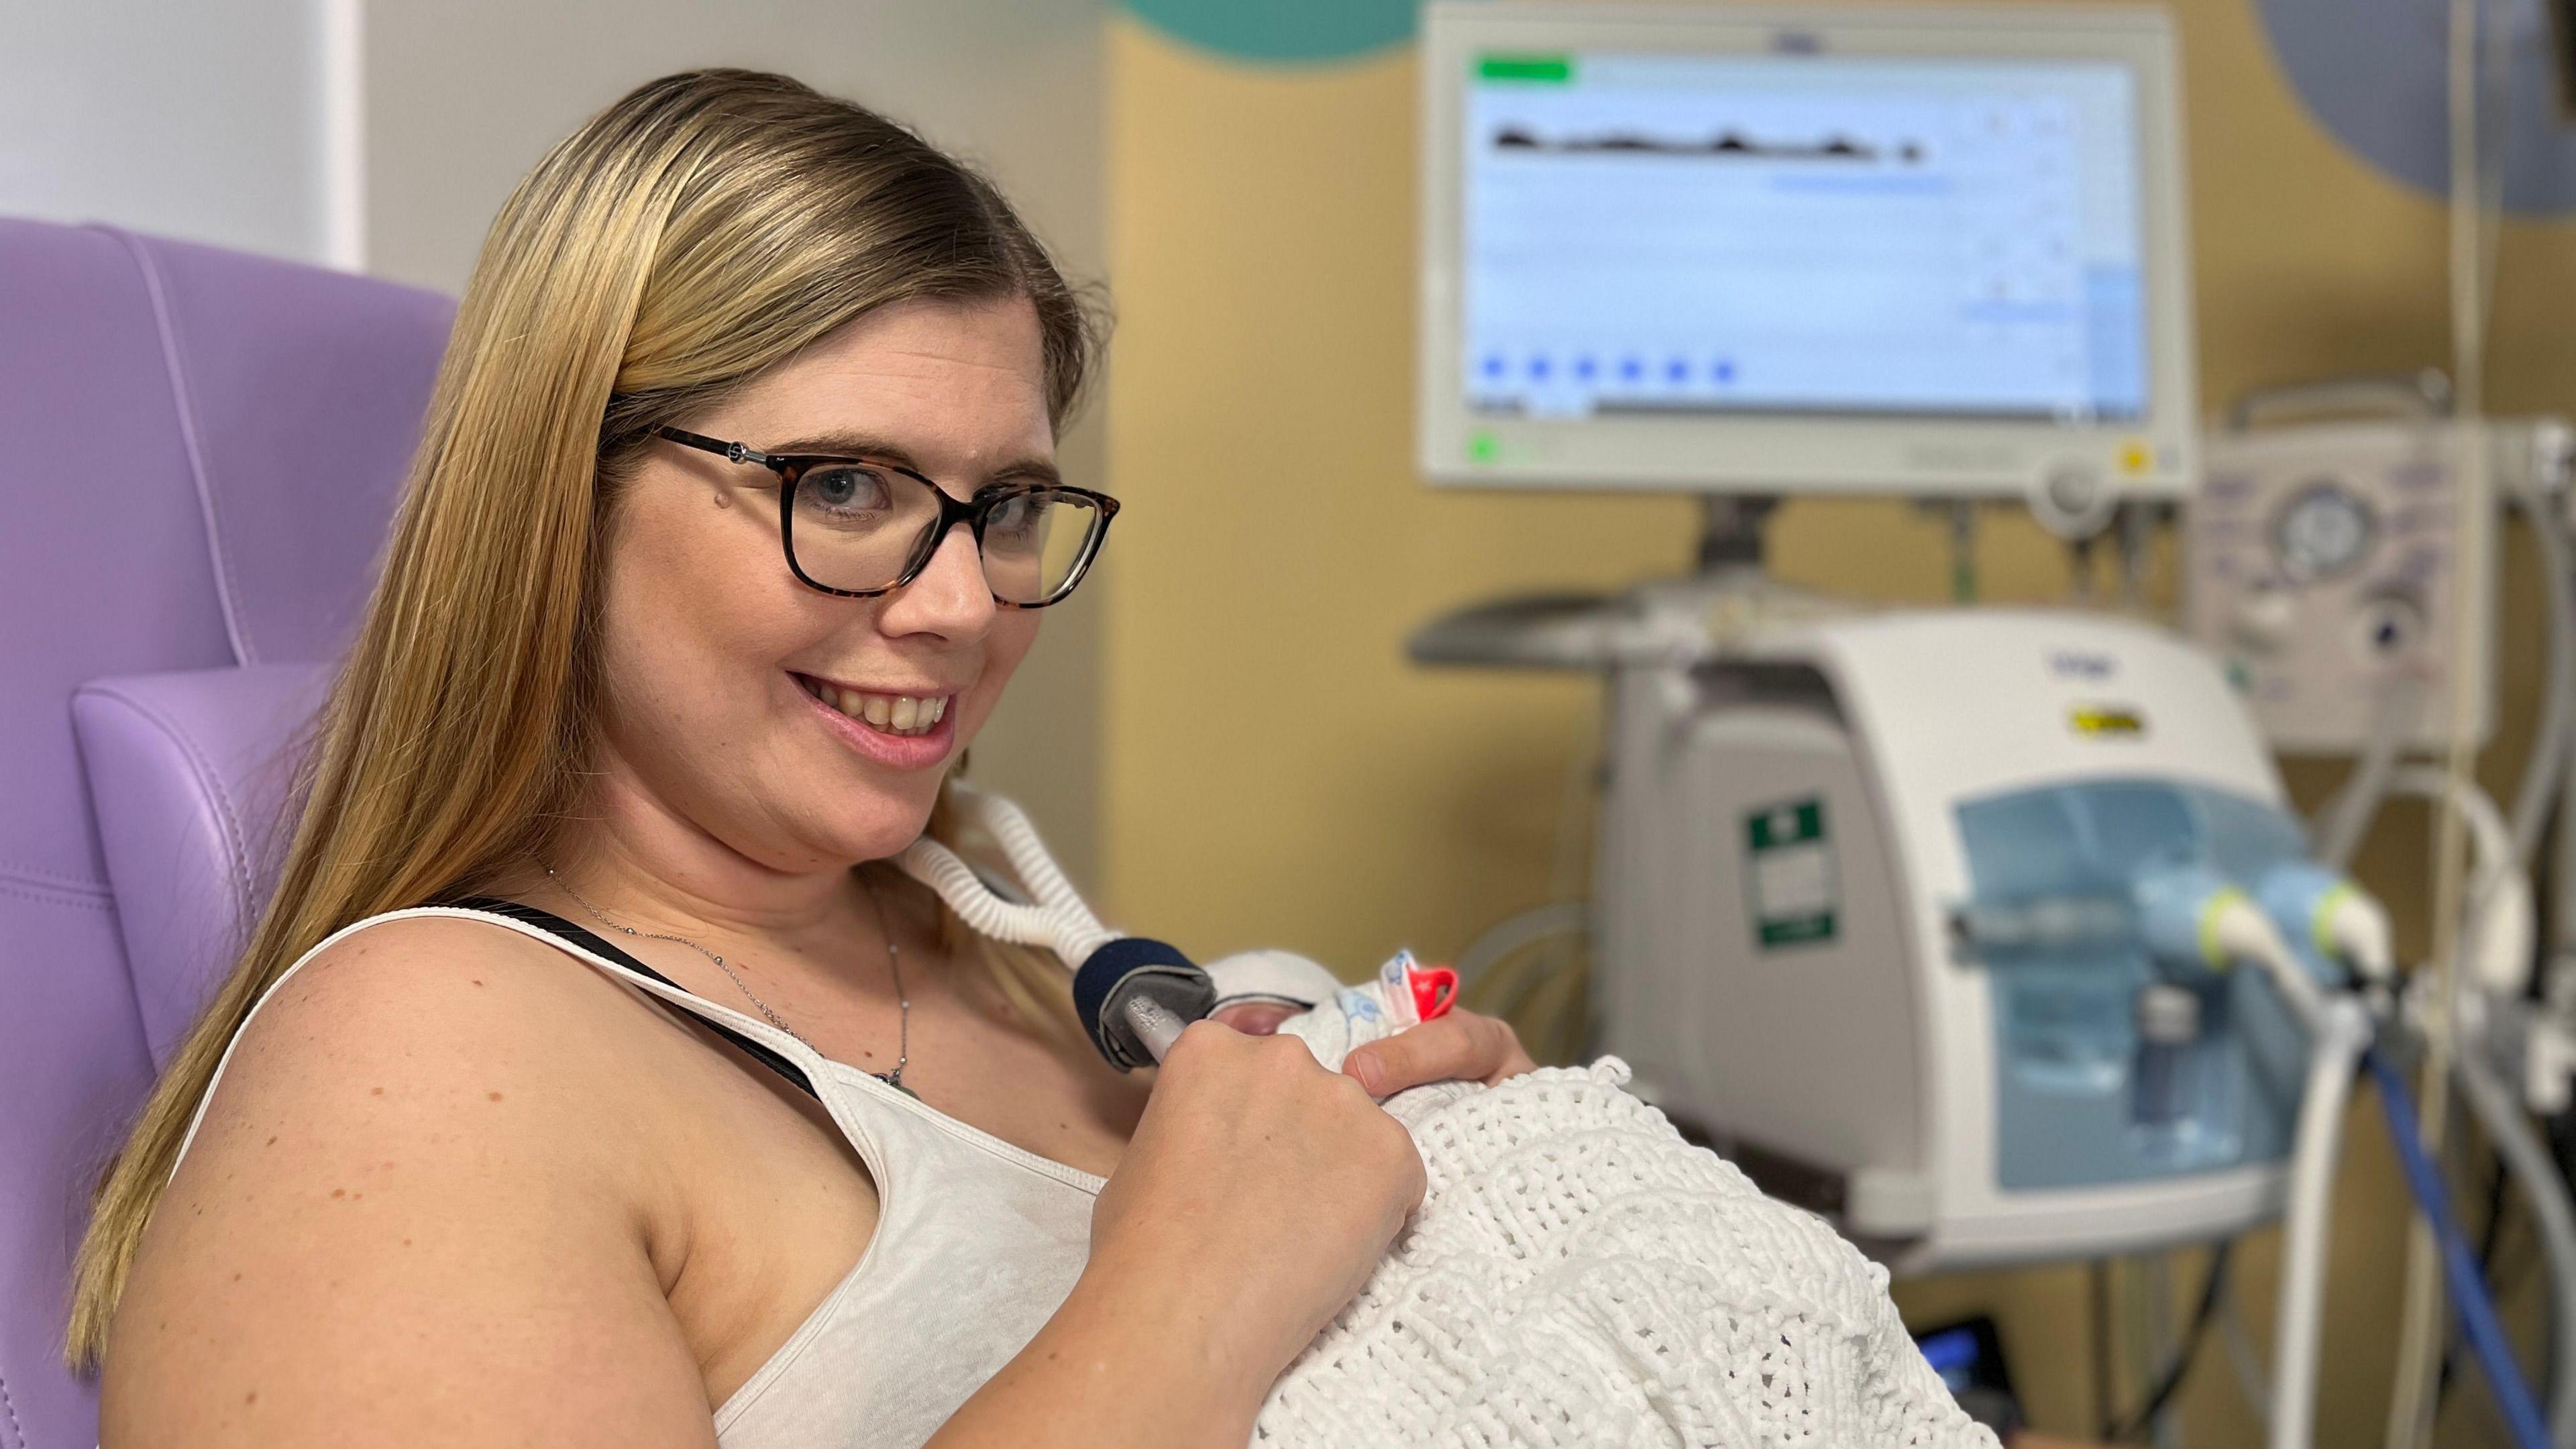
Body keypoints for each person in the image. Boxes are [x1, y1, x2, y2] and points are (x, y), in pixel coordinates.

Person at [70, 69, 1537, 1448]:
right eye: (842, 485)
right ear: (559, 503)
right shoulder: (420, 1067)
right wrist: (1204, 1280)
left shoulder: (1006, 952)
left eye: (1011, 503)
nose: (962, 606)